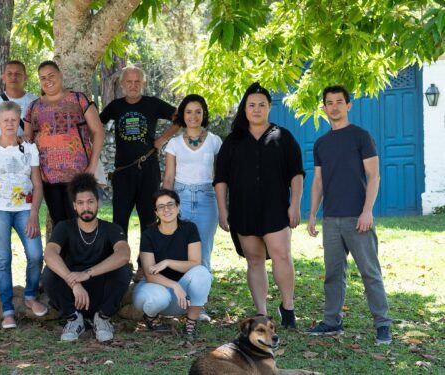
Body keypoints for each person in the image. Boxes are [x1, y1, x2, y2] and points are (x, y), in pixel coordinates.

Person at [214, 82, 304, 328]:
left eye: (261, 105)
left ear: (269, 107)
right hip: (243, 210)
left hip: (276, 208)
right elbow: (220, 179)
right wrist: (223, 210)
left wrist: (295, 205)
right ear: (245, 109)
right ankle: (262, 312)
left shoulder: (283, 137)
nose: (256, 109)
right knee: (254, 260)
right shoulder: (233, 141)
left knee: (282, 256)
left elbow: (297, 174)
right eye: (251, 105)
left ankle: (288, 308)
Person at [306, 85, 391, 345]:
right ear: (323, 108)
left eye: (339, 102)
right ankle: (332, 321)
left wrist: (367, 211)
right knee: (333, 273)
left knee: (370, 272)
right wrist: (312, 214)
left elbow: (374, 175)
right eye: (329, 103)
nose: (334, 107)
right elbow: (318, 181)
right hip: (331, 219)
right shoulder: (321, 143)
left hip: (358, 218)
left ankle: (383, 325)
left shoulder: (361, 136)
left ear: (348, 105)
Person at [0, 101, 48, 329]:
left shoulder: (29, 148)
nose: (9, 124)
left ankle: (30, 296)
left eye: (13, 120)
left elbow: (37, 184)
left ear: (19, 122)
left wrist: (34, 214)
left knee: (36, 254)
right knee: (3, 259)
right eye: (5, 120)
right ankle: (7, 310)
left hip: (25, 209)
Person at [42, 173, 132, 342]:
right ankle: (74, 319)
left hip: (100, 290)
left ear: (98, 202)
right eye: (81, 203)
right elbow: (49, 253)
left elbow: (124, 254)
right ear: (74, 206)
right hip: (73, 294)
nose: (86, 207)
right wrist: (74, 282)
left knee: (124, 270)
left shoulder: (111, 228)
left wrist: (88, 273)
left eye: (90, 202)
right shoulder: (64, 227)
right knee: (48, 274)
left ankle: (102, 318)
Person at [99, 66, 178, 238]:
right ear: (122, 84)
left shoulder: (153, 104)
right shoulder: (115, 106)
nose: (133, 85)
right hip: (123, 172)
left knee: (149, 219)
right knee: (119, 220)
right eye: (129, 81)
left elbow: (179, 117)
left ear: (143, 83)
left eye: (137, 82)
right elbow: (96, 124)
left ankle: (146, 262)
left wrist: (162, 139)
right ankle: (120, 263)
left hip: (148, 169)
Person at [162, 94, 222, 322]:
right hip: (181, 197)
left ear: (203, 114)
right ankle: (179, 302)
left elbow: (219, 177)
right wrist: (165, 206)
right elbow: (168, 178)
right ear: (183, 115)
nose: (193, 116)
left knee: (203, 252)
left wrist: (223, 204)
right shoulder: (174, 143)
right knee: (180, 250)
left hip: (207, 198)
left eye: (198, 111)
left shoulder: (215, 141)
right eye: (188, 112)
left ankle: (199, 306)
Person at [24, 61, 105, 224]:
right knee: (60, 225)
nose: (47, 80)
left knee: (83, 222)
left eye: (51, 75)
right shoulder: (34, 107)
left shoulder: (78, 99)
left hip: (80, 175)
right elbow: (27, 139)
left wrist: (92, 166)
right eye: (43, 78)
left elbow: (99, 131)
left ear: (61, 75)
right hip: (48, 177)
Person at [132, 189, 212, 337]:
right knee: (158, 298)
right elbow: (150, 275)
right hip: (155, 290)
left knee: (202, 273)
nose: (166, 209)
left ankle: (191, 323)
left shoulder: (189, 229)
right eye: (161, 206)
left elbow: (195, 263)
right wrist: (174, 285)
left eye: (170, 204)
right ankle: (151, 317)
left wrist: (167, 262)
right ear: (156, 212)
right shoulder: (148, 235)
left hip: (183, 299)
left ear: (178, 207)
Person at [0, 60, 38, 142]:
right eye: (9, 73)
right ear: (3, 77)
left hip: (26, 153)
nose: (13, 77)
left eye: (18, 74)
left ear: (25, 77)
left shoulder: (35, 102)